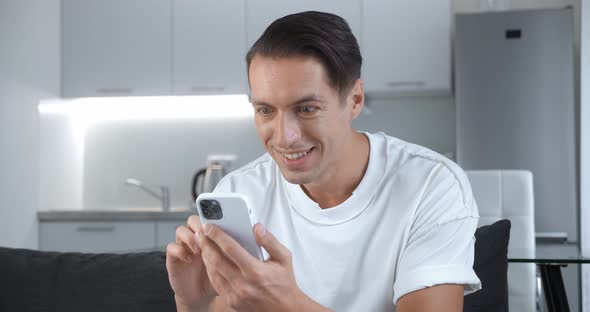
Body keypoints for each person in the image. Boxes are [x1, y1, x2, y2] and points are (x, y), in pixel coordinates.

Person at [166, 11, 481, 311]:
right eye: (265, 110)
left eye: (306, 109)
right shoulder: (239, 190)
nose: (284, 137)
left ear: (355, 99)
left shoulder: (432, 185)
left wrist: (288, 305)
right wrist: (194, 304)